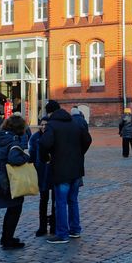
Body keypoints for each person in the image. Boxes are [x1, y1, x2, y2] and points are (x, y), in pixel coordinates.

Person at [40, 100, 93, 244]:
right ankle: (75, 229)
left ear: (49, 113)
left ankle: (62, 233)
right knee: (73, 200)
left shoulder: (52, 125)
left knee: (61, 202)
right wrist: (80, 154)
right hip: (76, 169)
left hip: (61, 169)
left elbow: (44, 143)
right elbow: (88, 139)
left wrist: (46, 157)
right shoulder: (75, 123)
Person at [0, 114, 31, 250]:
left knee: (11, 210)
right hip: (11, 180)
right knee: (14, 210)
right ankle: (7, 240)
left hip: (1, 177)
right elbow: (14, 158)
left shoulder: (1, 137)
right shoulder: (13, 140)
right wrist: (25, 158)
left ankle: (6, 237)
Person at [28, 117, 54, 237]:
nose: (43, 127)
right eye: (42, 125)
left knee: (55, 200)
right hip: (41, 172)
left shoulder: (53, 136)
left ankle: (54, 225)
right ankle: (42, 226)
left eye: (46, 125)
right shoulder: (35, 137)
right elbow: (32, 154)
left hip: (53, 171)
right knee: (43, 200)